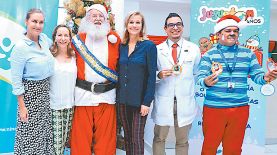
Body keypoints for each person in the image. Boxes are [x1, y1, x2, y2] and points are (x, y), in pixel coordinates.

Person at [197, 15, 277, 155]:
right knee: (209, 148)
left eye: (235, 31)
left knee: (233, 149)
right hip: (214, 108)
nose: (232, 33)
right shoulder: (209, 55)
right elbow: (199, 77)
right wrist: (205, 81)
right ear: (219, 33)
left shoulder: (248, 54)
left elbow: (257, 76)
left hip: (240, 109)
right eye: (228, 30)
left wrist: (265, 77)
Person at [70, 4, 121, 155]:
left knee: (106, 139)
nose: (98, 19)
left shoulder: (115, 39)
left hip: (107, 95)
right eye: (94, 16)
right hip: (83, 95)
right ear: (87, 19)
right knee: (80, 138)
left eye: (101, 16)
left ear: (106, 19)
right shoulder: (78, 40)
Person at [151, 13, 201, 155]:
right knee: (159, 138)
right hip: (164, 100)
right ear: (165, 29)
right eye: (171, 25)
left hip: (185, 101)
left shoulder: (193, 49)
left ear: (183, 27)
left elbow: (197, 73)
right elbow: (150, 74)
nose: (175, 27)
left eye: (178, 24)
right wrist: (159, 75)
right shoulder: (157, 50)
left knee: (182, 141)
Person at [10, 8, 55, 154]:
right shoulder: (20, 48)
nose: (38, 25)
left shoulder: (44, 39)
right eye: (34, 21)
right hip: (30, 97)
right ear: (26, 22)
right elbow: (16, 81)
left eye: (41, 22)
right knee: (30, 136)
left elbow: (55, 50)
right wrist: (22, 107)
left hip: (44, 95)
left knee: (43, 134)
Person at [117, 11, 157, 155]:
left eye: (137, 22)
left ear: (142, 26)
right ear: (126, 25)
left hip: (140, 101)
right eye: (131, 22)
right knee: (127, 138)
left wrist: (147, 102)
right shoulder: (121, 46)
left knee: (137, 138)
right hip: (122, 100)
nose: (134, 25)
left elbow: (152, 76)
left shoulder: (149, 46)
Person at [49, 24, 77, 155]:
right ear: (55, 38)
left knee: (65, 141)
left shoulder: (74, 58)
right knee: (56, 144)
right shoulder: (49, 57)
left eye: (66, 35)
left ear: (70, 38)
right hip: (53, 106)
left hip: (70, 106)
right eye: (59, 35)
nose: (63, 38)